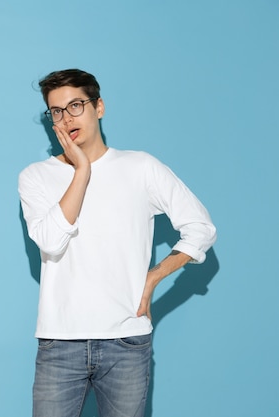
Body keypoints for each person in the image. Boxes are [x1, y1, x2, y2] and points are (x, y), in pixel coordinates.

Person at [18, 69, 216, 417]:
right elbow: (50, 242)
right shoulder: (35, 177)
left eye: (75, 105)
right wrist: (81, 172)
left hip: (126, 340)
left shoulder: (140, 167)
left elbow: (200, 227)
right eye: (56, 111)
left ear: (99, 107)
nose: (66, 118)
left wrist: (154, 276)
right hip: (59, 342)